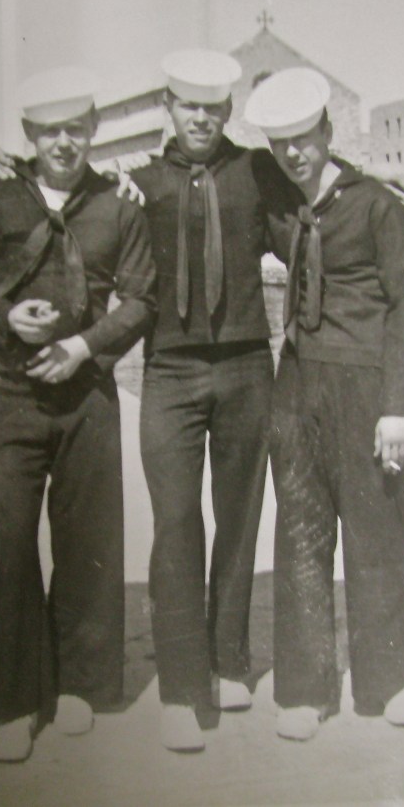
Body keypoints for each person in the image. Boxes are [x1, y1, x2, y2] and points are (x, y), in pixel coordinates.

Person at [0, 66, 156, 763]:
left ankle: (82, 685)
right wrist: (6, 315)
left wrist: (82, 346)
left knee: (87, 545)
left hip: (88, 398)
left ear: (94, 129)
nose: (64, 143)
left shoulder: (119, 206)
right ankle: (17, 703)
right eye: (50, 131)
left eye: (76, 128)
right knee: (13, 547)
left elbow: (139, 301)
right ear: (29, 136)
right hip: (12, 396)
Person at [244, 67, 404, 741]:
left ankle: (387, 681)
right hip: (297, 386)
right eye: (280, 142)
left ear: (327, 131)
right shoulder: (278, 201)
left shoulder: (379, 207)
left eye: (305, 137)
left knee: (377, 537)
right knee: (300, 537)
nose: (295, 152)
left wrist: (399, 408)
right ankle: (306, 690)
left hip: (368, 388)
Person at [130, 50, 281, 752]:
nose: (201, 119)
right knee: (176, 523)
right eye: (188, 106)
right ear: (168, 107)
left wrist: (386, 180)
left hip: (248, 363)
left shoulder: (255, 172)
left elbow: (317, 198)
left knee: (240, 519)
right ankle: (182, 689)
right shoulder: (137, 182)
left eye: (214, 108)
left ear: (227, 112)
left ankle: (228, 661)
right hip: (170, 371)